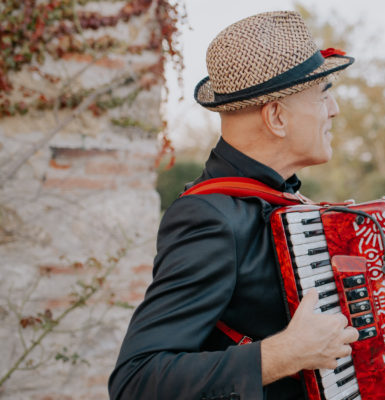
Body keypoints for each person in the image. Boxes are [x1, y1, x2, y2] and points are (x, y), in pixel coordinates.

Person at [109, 11, 359, 399]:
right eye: (324, 93)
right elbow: (136, 381)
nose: (335, 109)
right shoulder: (208, 218)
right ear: (276, 117)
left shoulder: (284, 203)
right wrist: (284, 354)